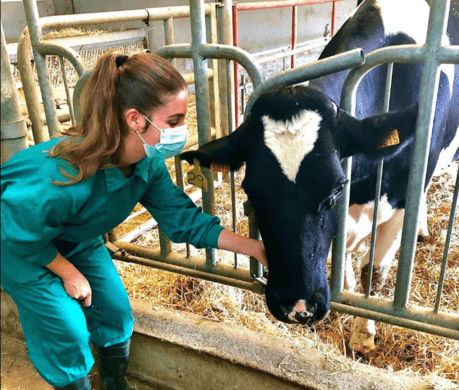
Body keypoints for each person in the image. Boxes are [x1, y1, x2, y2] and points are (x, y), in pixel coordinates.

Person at [0, 51, 267, 390]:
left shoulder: (145, 164)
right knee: (67, 329)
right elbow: (17, 234)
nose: (182, 131)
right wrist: (69, 273)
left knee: (115, 311)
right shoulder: (57, 177)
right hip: (19, 247)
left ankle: (115, 384)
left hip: (75, 239)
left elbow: (183, 219)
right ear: (135, 120)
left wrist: (255, 248)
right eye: (174, 121)